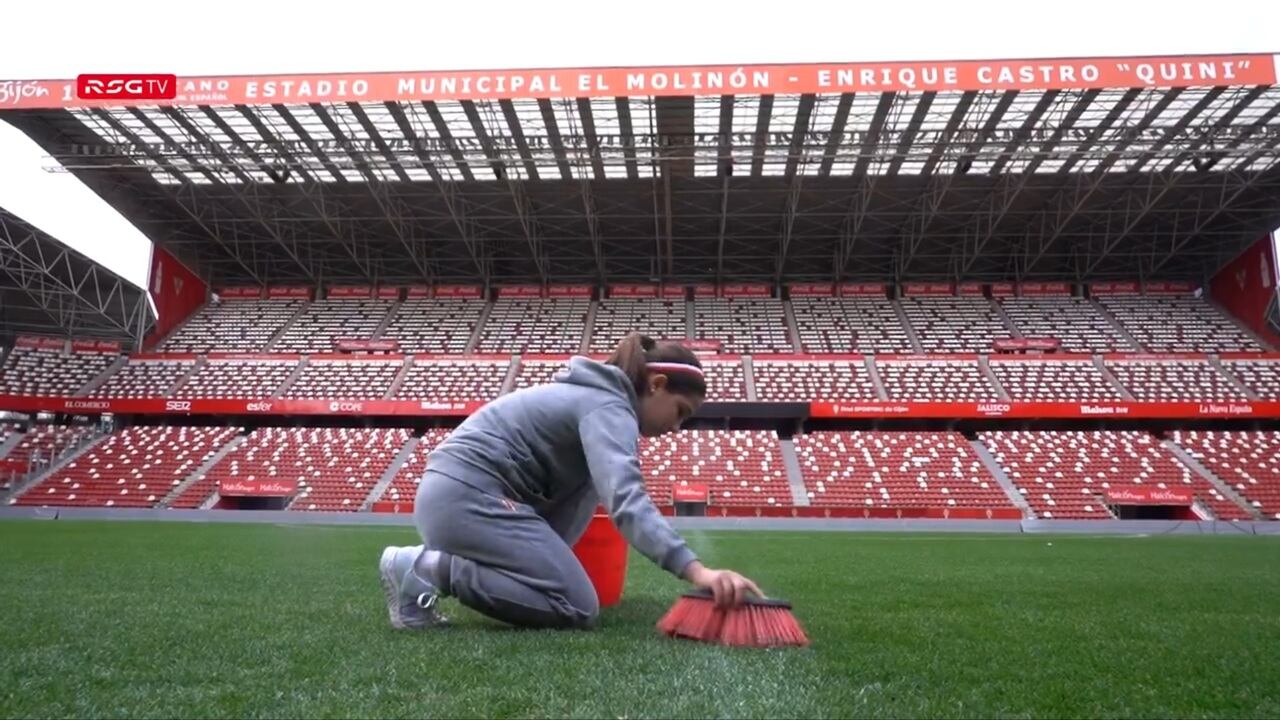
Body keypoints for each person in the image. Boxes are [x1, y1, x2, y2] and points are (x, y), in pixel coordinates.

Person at [378, 332, 762, 630]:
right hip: (467, 497)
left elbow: (585, 501)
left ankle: (419, 588)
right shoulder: (610, 407)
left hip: (458, 497)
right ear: (657, 384)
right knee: (576, 605)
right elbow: (626, 501)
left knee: (572, 569)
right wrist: (697, 570)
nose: (676, 426)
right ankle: (426, 566)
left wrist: (553, 565)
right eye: (680, 412)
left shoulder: (596, 401)